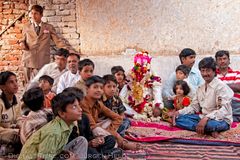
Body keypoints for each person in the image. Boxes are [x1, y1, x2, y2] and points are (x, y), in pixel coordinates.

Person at [172, 57, 233, 138]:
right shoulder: (200, 88)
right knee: (178, 118)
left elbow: (224, 110)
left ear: (214, 71)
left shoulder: (221, 86)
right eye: (202, 71)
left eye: (208, 70)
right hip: (203, 117)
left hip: (220, 120)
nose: (205, 74)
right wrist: (179, 112)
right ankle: (207, 130)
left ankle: (208, 128)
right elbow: (194, 107)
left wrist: (207, 118)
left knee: (211, 125)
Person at [18, 90, 88, 160]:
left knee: (81, 140)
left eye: (79, 105)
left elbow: (56, 147)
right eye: (74, 107)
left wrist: (63, 152)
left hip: (48, 155)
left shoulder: (68, 125)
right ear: (62, 113)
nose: (80, 109)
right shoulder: (53, 133)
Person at [81, 76, 141, 150]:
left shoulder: (98, 103)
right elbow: (92, 127)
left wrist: (110, 132)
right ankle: (121, 143)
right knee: (98, 130)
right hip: (86, 133)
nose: (99, 90)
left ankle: (113, 140)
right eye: (95, 87)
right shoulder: (83, 103)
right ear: (87, 89)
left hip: (99, 129)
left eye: (101, 88)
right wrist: (116, 135)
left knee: (113, 120)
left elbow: (118, 117)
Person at [20, 5, 75, 84]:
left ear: (41, 15)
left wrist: (69, 50)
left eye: (36, 13)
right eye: (32, 13)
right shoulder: (26, 27)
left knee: (42, 83)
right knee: (28, 84)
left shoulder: (48, 27)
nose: (33, 16)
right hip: (28, 58)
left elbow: (58, 41)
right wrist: (22, 44)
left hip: (42, 59)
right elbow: (22, 40)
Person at [64, 87, 123, 160]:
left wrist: (96, 140)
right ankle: (104, 155)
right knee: (89, 150)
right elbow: (69, 146)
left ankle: (102, 155)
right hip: (76, 150)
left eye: (80, 105)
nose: (80, 109)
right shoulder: (64, 122)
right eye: (75, 106)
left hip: (89, 146)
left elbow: (89, 136)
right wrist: (89, 144)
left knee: (111, 139)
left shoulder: (83, 117)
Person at [120, 51, 163, 122]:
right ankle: (134, 114)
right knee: (121, 104)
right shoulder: (130, 75)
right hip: (132, 107)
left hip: (148, 106)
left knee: (155, 111)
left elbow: (157, 91)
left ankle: (141, 114)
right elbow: (122, 95)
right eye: (139, 66)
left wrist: (157, 105)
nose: (141, 69)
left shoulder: (153, 75)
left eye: (144, 66)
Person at [0, 71, 21, 156]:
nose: (15, 84)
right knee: (17, 135)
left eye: (16, 81)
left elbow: (18, 118)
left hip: (13, 132)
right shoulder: (0, 103)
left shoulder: (17, 101)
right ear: (3, 87)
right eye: (11, 82)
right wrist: (13, 130)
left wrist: (20, 125)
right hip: (3, 133)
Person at [215, 50, 240, 122]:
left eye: (224, 58)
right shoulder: (213, 76)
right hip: (220, 104)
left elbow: (238, 87)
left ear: (229, 60)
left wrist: (220, 85)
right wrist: (231, 86)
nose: (222, 61)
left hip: (236, 103)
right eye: (219, 59)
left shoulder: (237, 74)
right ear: (216, 62)